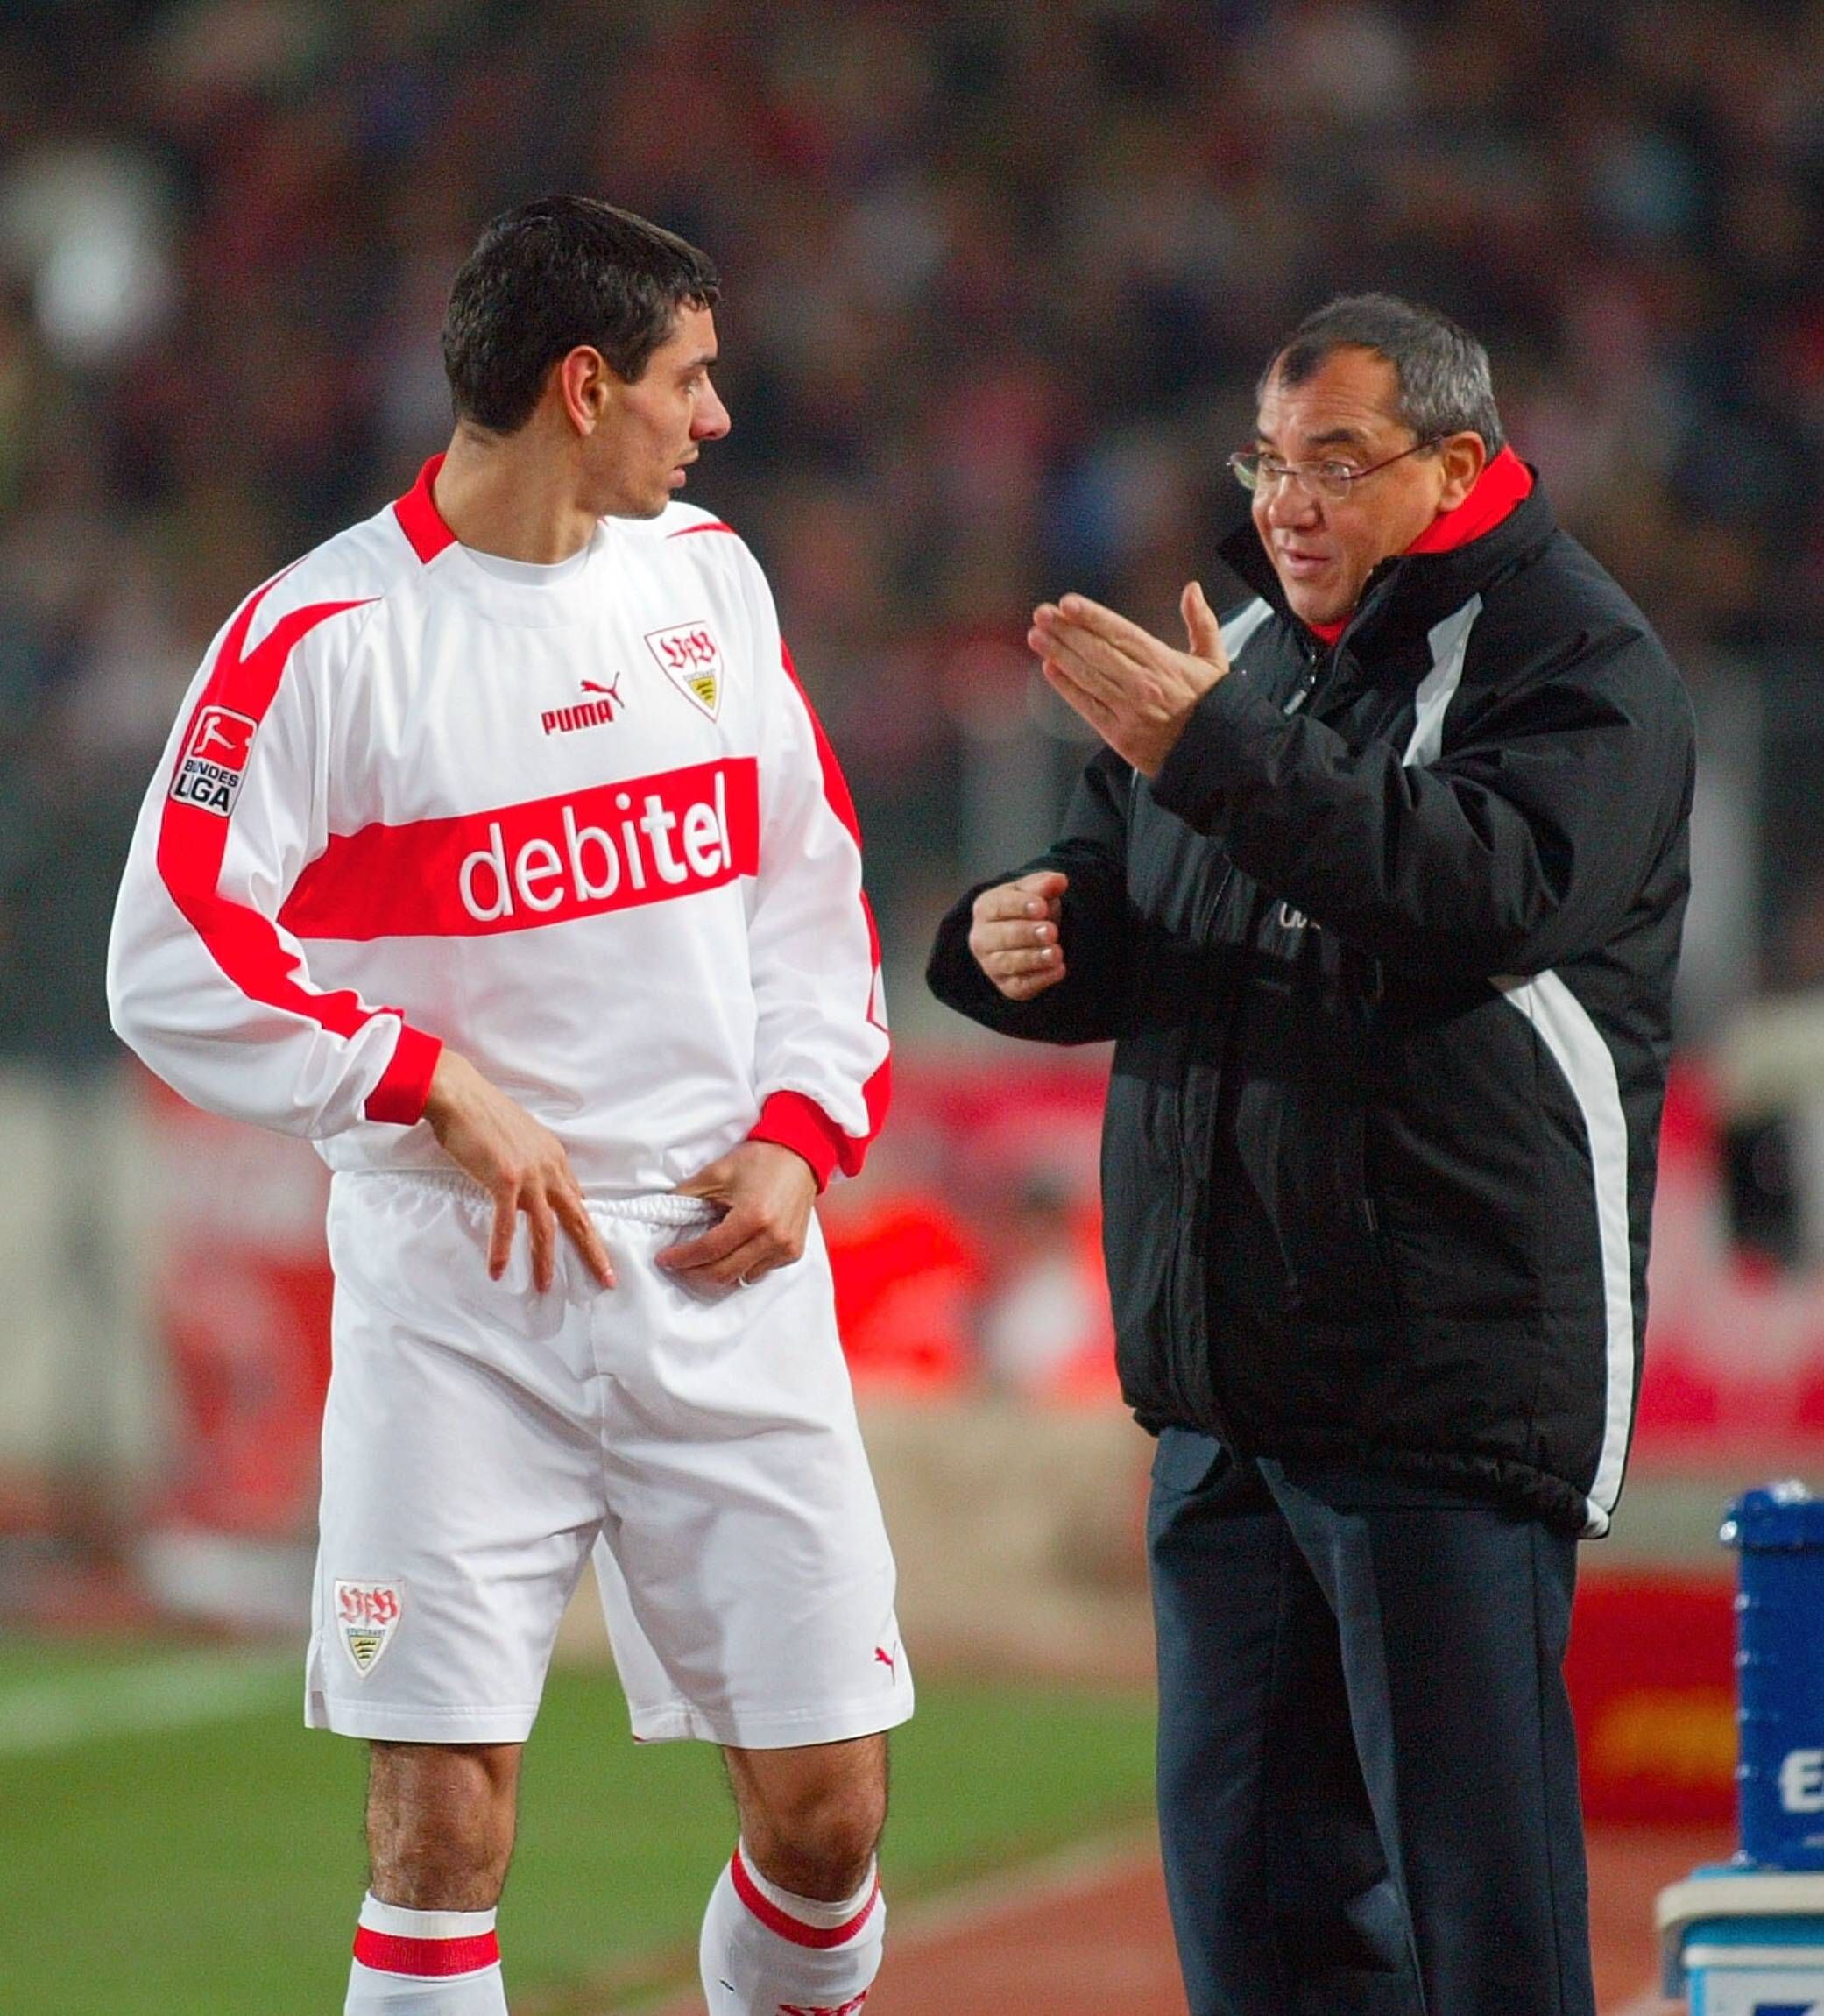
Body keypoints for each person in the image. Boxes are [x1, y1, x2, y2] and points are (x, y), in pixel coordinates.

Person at [110, 195, 907, 2016]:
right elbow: (169, 952)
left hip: (720, 1263)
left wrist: (800, 1128)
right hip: (457, 1291)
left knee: (828, 1816)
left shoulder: (710, 579)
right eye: (688, 380)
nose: (714, 419)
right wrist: (421, 1074)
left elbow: (805, 884)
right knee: (440, 1824)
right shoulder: (317, 641)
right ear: (581, 384)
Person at [928, 294, 1694, 2016]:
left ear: (1461, 464)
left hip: (1441, 1391)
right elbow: (1149, 902)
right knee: (1259, 1920)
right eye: (1269, 461)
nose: (1288, 502)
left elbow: (1467, 889)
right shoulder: (1257, 651)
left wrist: (1212, 745)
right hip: (1230, 1396)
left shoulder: (1581, 664)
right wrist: (1022, 937)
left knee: (1479, 1923)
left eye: (1336, 464)